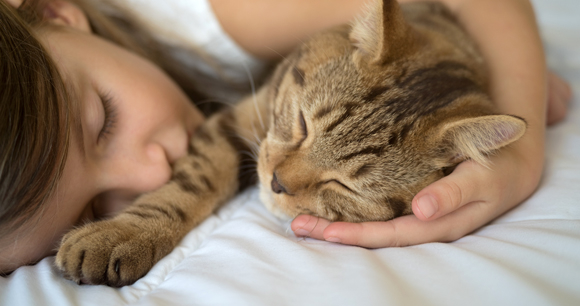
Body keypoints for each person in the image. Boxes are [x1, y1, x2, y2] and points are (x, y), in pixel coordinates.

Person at [0, 0, 571, 275]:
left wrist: (516, 144)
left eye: (105, 120)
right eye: (94, 210)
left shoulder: (228, 13)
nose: (280, 177)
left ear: (57, 11)